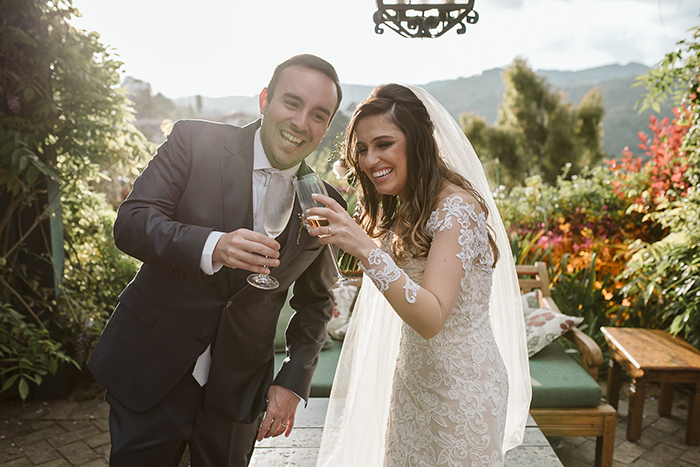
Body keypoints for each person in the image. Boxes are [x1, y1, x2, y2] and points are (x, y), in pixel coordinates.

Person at [86, 54, 346, 467]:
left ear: (327, 126)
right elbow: (132, 223)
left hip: (238, 389)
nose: (301, 123)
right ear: (265, 100)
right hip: (152, 363)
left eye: (318, 114)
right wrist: (212, 246)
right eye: (291, 103)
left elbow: (315, 302)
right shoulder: (193, 141)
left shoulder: (325, 202)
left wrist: (294, 380)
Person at [308, 84, 531, 467]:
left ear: (419, 143)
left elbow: (430, 318)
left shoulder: (457, 209)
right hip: (413, 384)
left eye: (383, 144)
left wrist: (365, 248)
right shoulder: (411, 204)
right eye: (361, 149)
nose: (369, 159)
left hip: (463, 397)